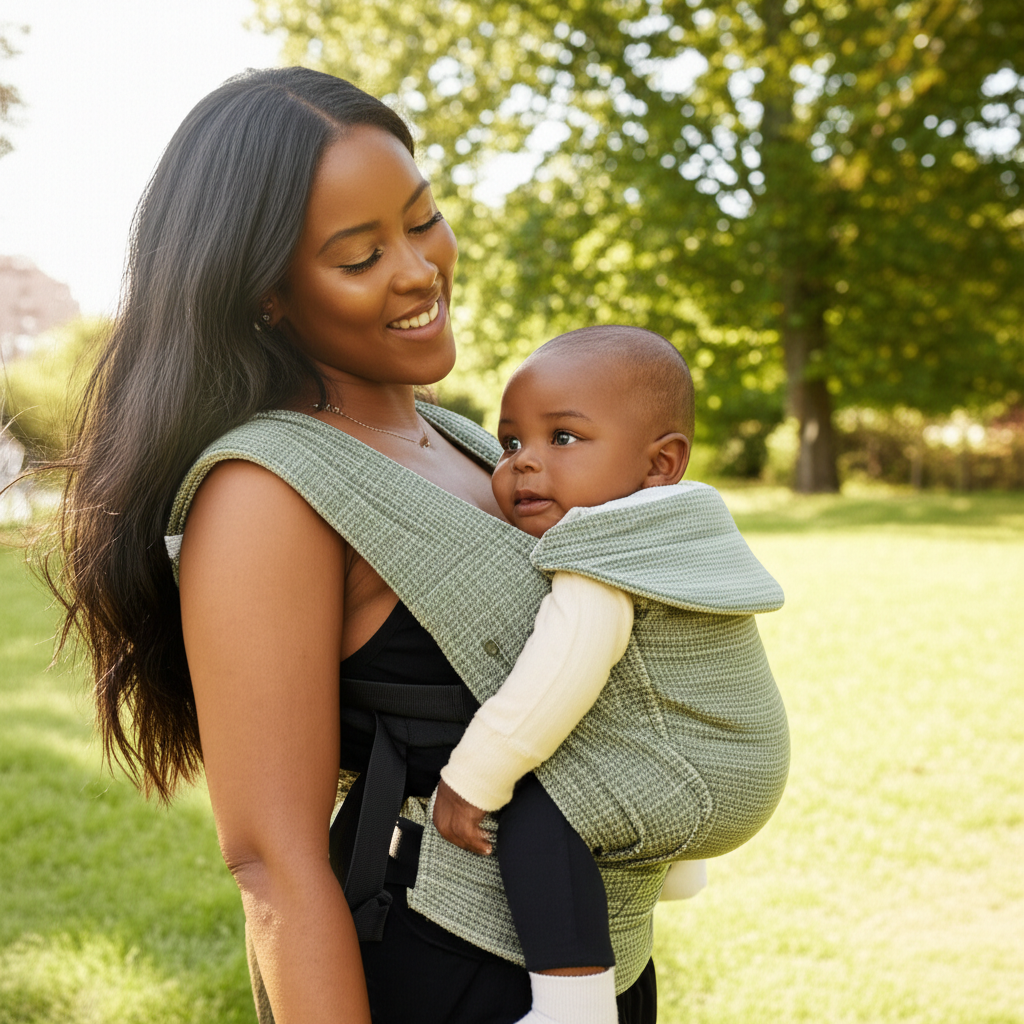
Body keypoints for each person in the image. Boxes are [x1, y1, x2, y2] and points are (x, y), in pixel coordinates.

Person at [45, 66, 666, 1024]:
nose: (419, 271)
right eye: (357, 254)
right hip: (449, 972)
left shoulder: (466, 442)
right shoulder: (266, 492)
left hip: (591, 959)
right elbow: (272, 862)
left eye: (421, 221)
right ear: (267, 297)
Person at [430, 325, 790, 1024]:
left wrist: (470, 781)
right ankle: (677, 861)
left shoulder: (603, 556)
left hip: (693, 780)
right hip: (744, 759)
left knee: (539, 805)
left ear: (660, 464)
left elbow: (552, 682)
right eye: (510, 444)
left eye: (562, 438)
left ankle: (575, 1005)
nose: (523, 464)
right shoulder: (681, 525)